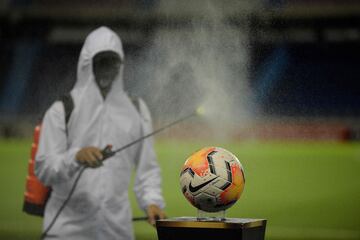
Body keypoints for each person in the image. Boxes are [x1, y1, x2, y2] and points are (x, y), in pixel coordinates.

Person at [35, 26, 166, 239]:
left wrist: (152, 202)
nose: (107, 69)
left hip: (117, 230)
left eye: (113, 62)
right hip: (67, 231)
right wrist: (75, 156)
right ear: (88, 64)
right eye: (101, 62)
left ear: (120, 65)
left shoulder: (137, 110)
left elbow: (147, 168)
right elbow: (44, 169)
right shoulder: (61, 110)